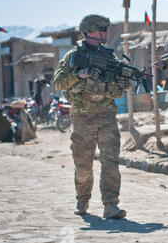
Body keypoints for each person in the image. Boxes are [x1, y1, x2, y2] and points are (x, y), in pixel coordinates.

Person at [54, 14, 130, 219]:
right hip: (82, 118)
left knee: (111, 162)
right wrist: (80, 74)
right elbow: (59, 84)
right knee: (83, 163)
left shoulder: (110, 58)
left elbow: (115, 91)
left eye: (106, 29)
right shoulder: (72, 57)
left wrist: (122, 85)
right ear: (89, 31)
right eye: (102, 29)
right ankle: (82, 200)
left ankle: (111, 204)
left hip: (106, 116)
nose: (105, 33)